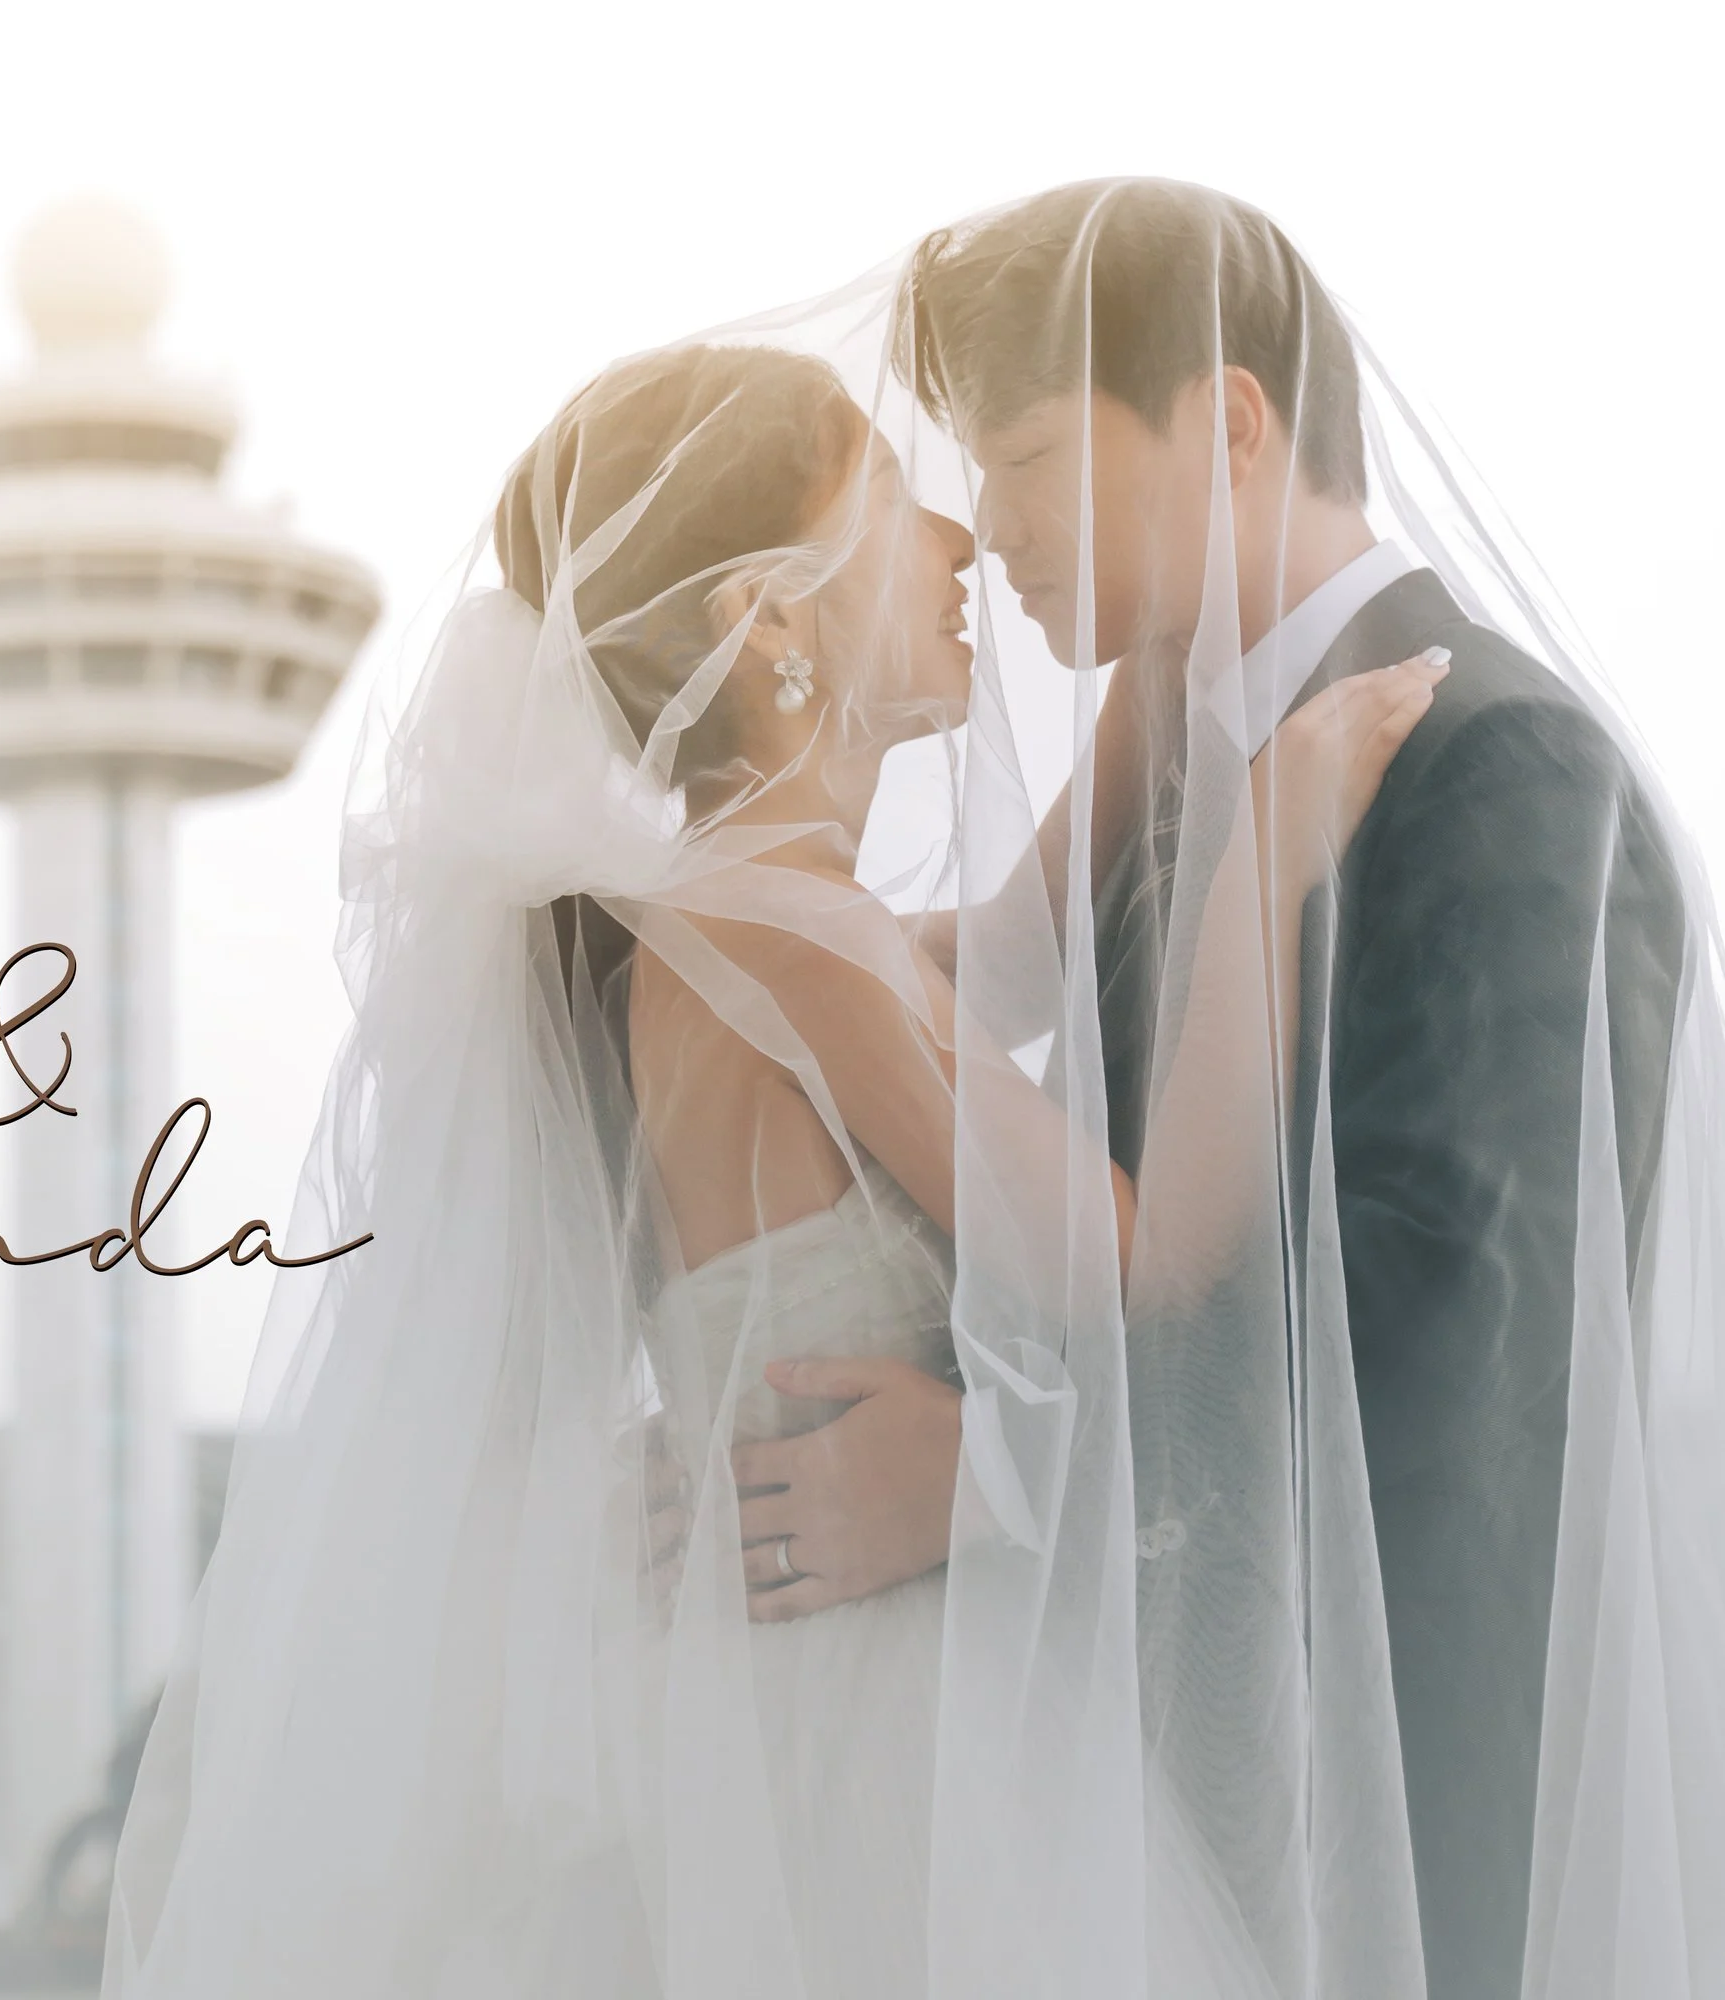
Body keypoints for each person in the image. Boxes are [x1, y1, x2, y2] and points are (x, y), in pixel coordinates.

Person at [98, 321, 1446, 1996]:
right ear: (771, 625)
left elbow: (1011, 946)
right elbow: (1148, 1261)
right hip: (890, 1731)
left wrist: (1156, 659)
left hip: (774, 1698)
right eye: (895, 503)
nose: (960, 542)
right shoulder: (804, 945)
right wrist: (1266, 865)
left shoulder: (730, 922)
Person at [750, 179, 1715, 1996]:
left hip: (1387, 1850)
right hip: (1153, 1809)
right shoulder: (1176, 758)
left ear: (1234, 417)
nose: (990, 530)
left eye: (1027, 455)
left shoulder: (1496, 769)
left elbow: (1442, 1349)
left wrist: (987, 1476)